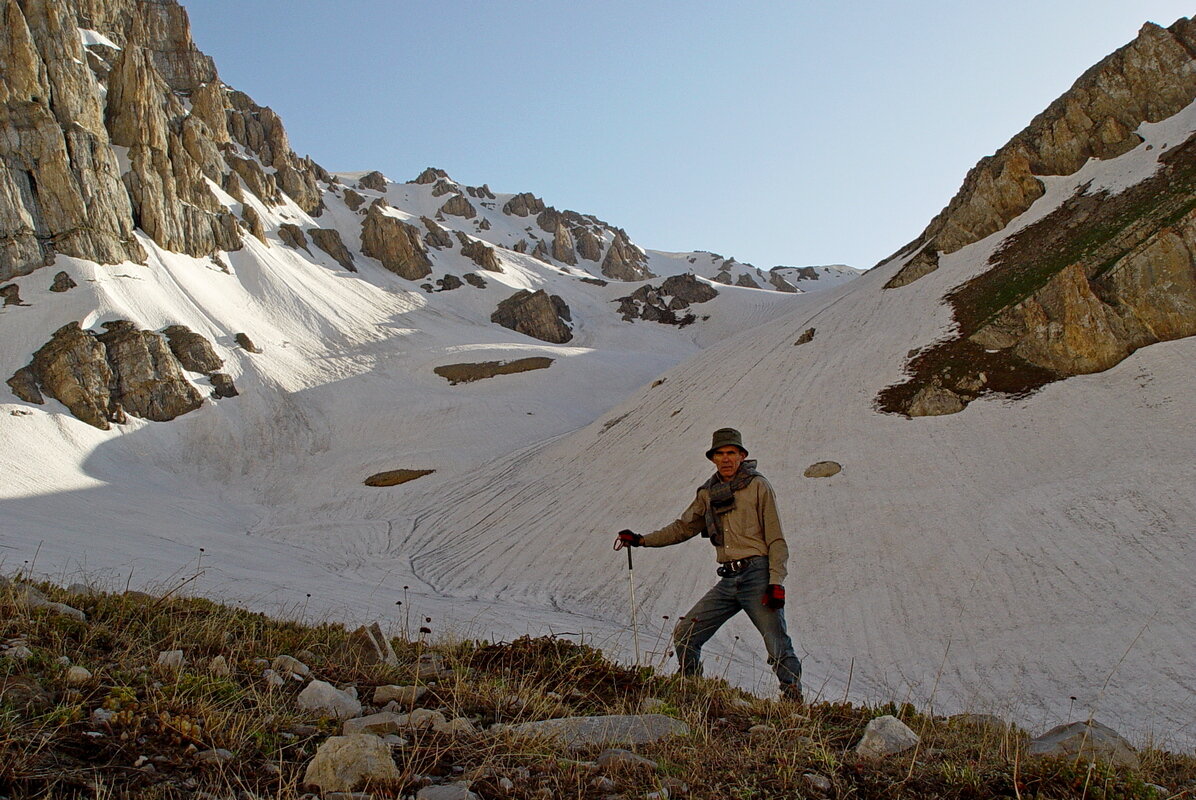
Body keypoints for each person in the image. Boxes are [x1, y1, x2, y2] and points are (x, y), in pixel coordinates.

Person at [615, 427, 803, 701]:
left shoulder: (758, 486)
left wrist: (776, 582)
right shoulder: (708, 493)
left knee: (777, 646)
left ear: (742, 456)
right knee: (685, 635)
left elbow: (776, 539)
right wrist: (642, 540)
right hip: (729, 580)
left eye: (731, 453)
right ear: (712, 458)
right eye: (720, 454)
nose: (725, 459)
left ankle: (793, 702)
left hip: (758, 576)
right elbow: (683, 528)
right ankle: (691, 692)